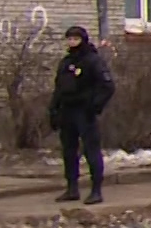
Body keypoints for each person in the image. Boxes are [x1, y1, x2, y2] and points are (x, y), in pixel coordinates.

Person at [47, 25, 115, 205]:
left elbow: (107, 86)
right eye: (69, 39)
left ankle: (96, 190)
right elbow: (59, 89)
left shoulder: (92, 61)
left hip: (85, 112)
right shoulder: (66, 62)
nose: (72, 42)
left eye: (75, 39)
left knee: (91, 150)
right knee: (69, 151)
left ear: (83, 40)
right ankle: (72, 188)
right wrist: (53, 110)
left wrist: (94, 106)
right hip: (67, 111)